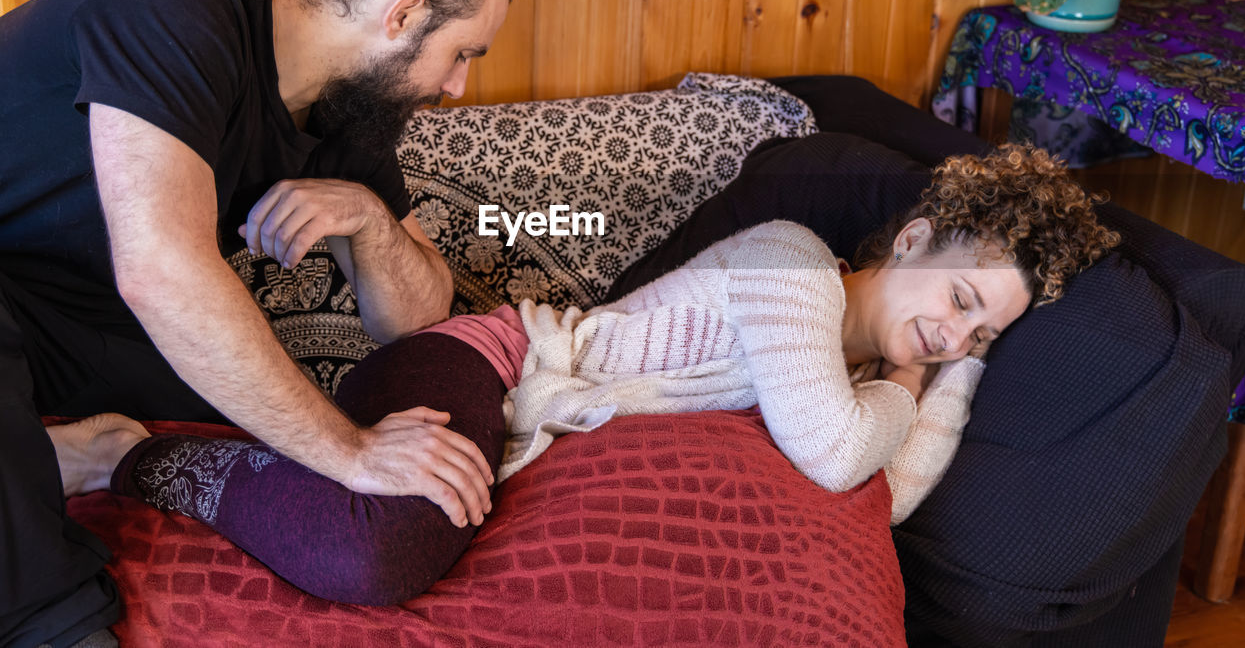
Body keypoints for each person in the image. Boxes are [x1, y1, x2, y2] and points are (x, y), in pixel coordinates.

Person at [49, 144, 1120, 607]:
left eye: (982, 336)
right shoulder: (796, 268)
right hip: (493, 356)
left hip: (526, 410)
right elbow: (843, 451)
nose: (951, 334)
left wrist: (955, 378)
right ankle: (133, 451)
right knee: (379, 548)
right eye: (960, 299)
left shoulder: (851, 367)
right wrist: (909, 383)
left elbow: (883, 496)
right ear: (919, 237)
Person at [0, 0, 512, 646]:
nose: (457, 88)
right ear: (404, 15)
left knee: (249, 427)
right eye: (461, 55)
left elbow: (415, 322)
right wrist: (351, 452)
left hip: (66, 321)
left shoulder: (348, 118)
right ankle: (52, 624)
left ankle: (69, 457)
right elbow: (162, 271)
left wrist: (371, 221)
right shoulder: (172, 5)